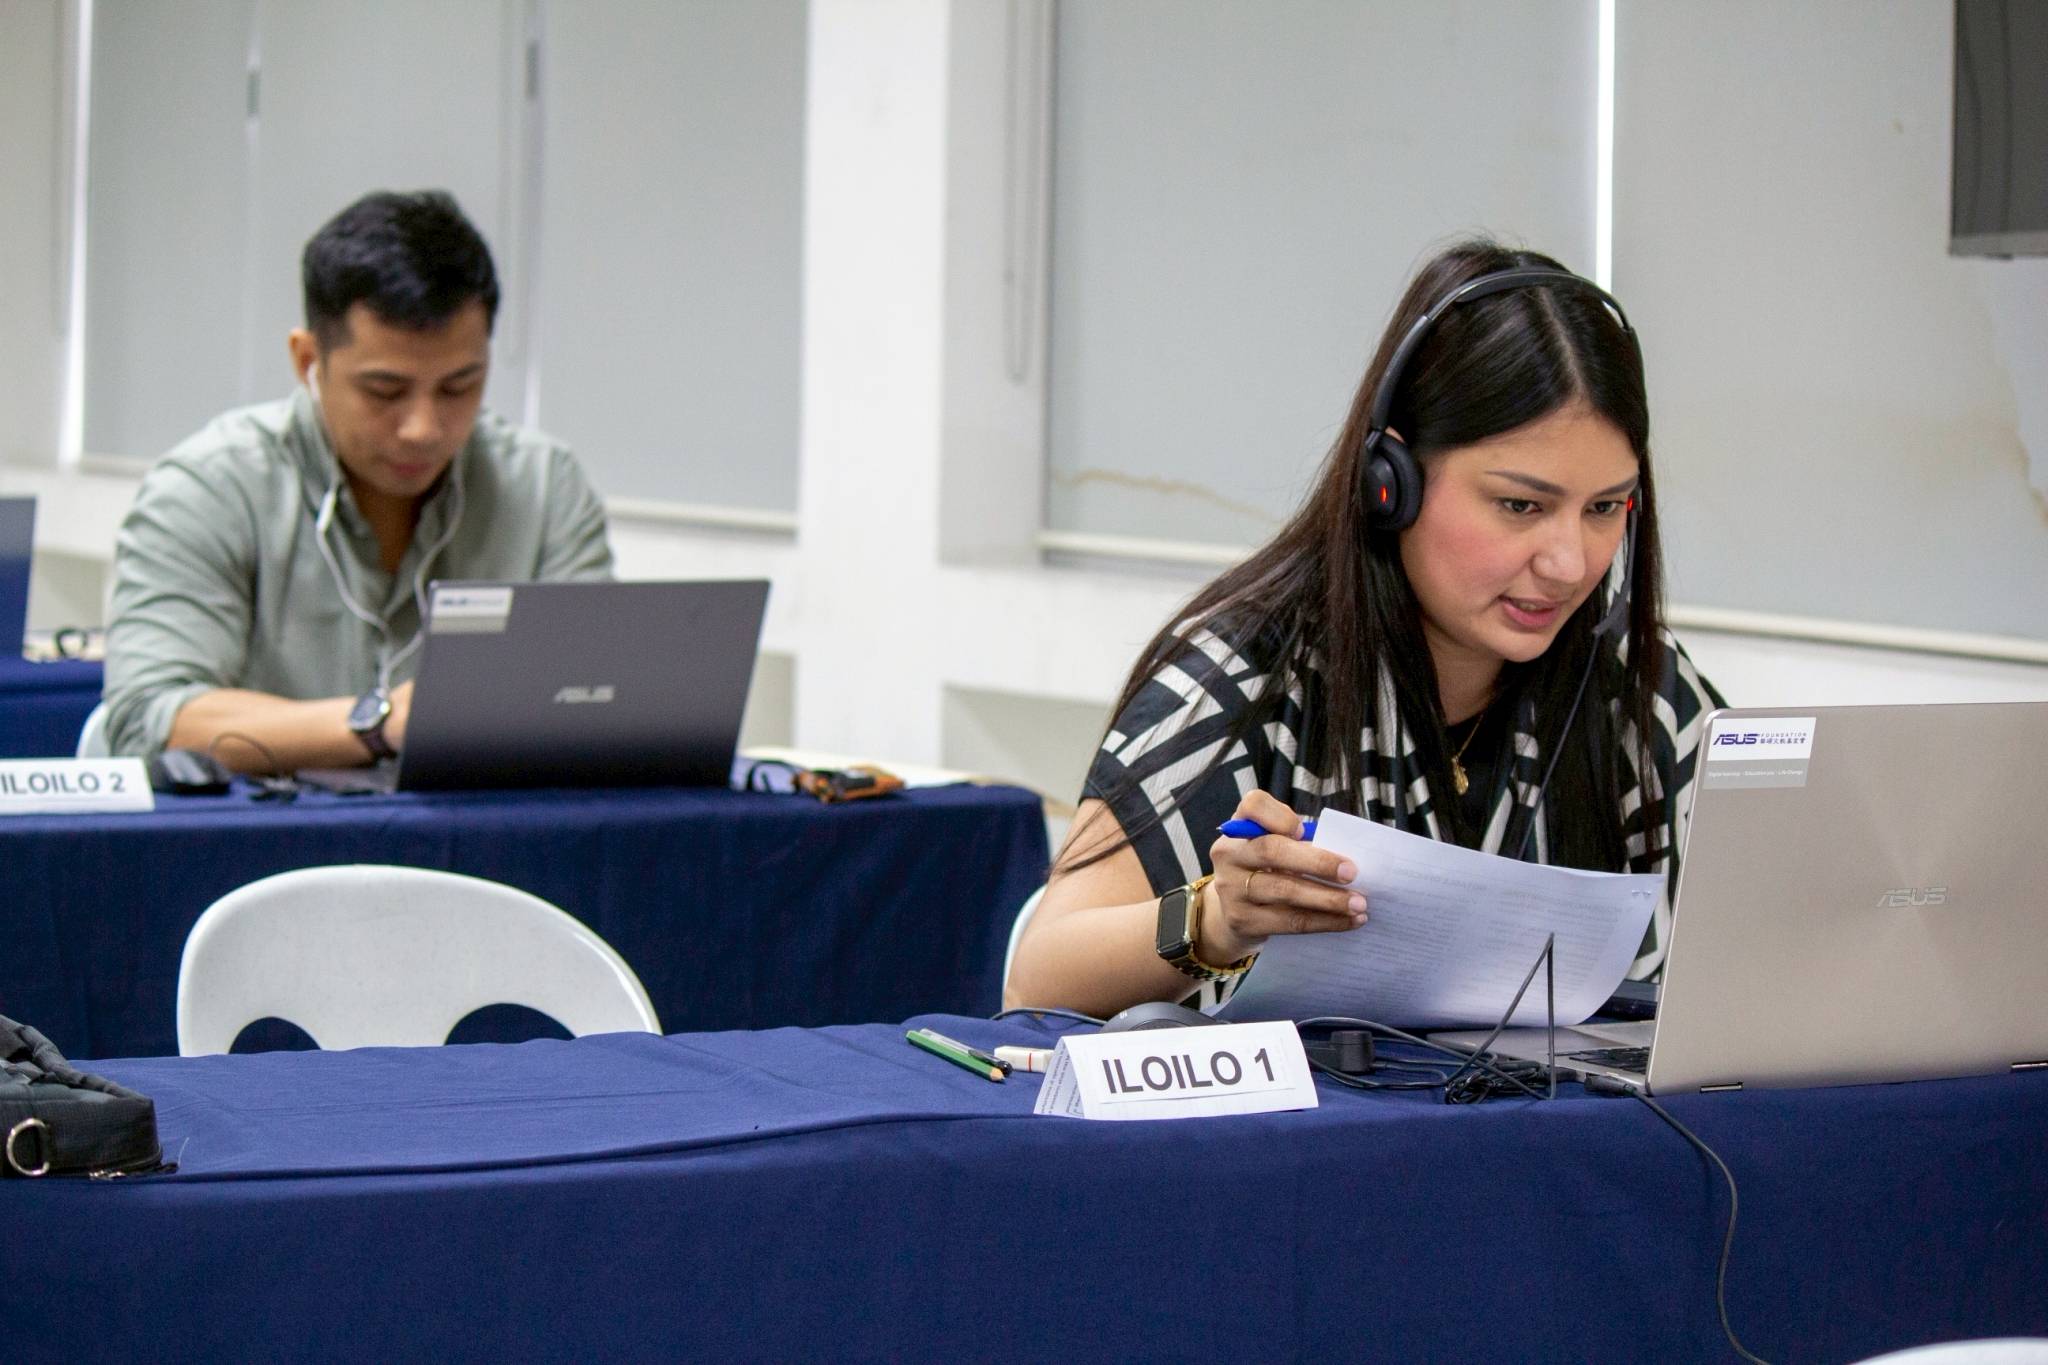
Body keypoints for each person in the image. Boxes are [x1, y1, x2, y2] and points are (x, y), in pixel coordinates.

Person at [1005, 239, 1725, 1019]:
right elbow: (1035, 978)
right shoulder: (1250, 680)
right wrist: (1217, 920)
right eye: (1522, 505)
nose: (1568, 562)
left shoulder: (1640, 693)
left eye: (1604, 508)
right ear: (1394, 483)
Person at [102, 190, 613, 769]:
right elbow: (150, 720)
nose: (423, 428)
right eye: (385, 392)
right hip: (266, 847)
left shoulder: (543, 489)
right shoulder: (210, 488)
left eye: (459, 386)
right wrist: (381, 722)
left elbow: (589, 704)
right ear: (307, 362)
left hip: (479, 846)